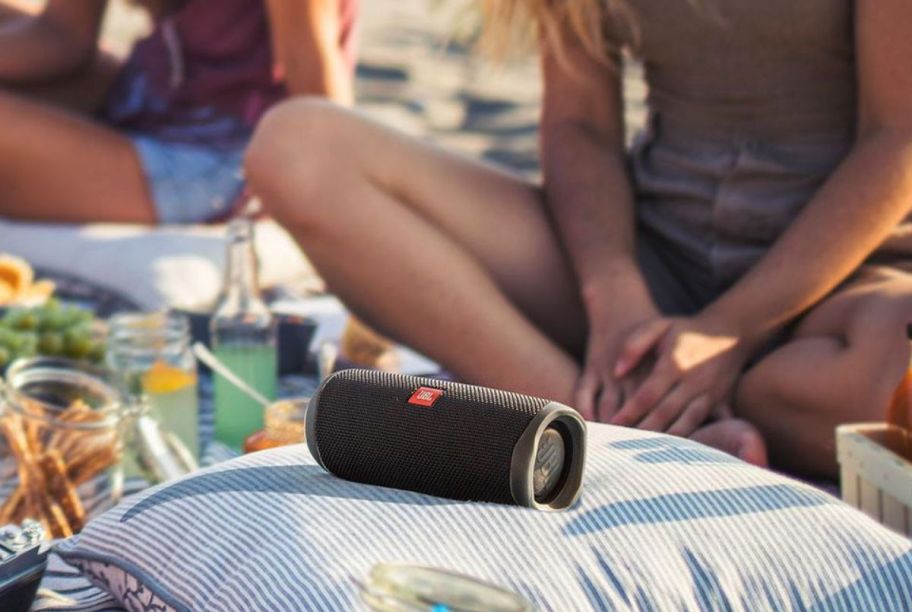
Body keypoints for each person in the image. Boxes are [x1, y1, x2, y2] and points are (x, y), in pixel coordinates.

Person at [244, 0, 912, 478]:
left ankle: (680, 408)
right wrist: (614, 294)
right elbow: (580, 128)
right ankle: (603, 420)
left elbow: (899, 139)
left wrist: (732, 330)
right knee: (298, 147)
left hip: (840, 284)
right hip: (645, 262)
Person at [0, 0, 357, 224]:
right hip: (149, 99)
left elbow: (311, 77)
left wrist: (349, 215)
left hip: (224, 160)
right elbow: (62, 34)